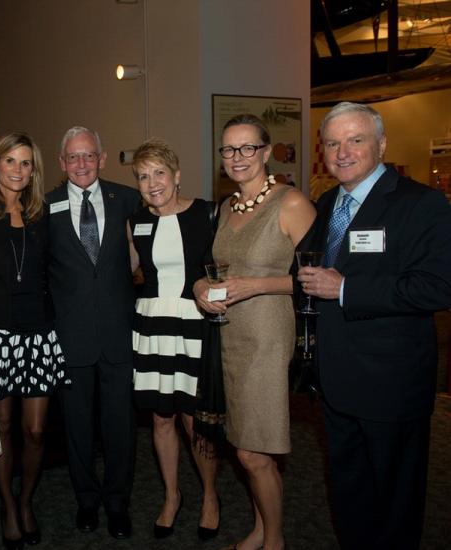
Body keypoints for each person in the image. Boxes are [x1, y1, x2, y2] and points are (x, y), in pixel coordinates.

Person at [297, 102, 451, 550]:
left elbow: (438, 287)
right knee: (351, 494)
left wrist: (346, 289)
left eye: (355, 140)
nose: (342, 152)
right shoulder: (328, 203)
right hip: (337, 379)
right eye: (332, 143)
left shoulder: (421, 203)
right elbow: (310, 270)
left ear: (381, 144)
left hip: (391, 384)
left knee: (395, 501)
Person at [195, 114, 315, 550]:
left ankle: (274, 541)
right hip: (228, 334)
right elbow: (215, 268)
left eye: (247, 148)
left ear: (266, 152)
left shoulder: (291, 203)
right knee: (244, 445)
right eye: (229, 149)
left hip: (267, 335)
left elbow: (315, 276)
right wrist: (200, 288)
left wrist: (256, 285)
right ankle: (263, 529)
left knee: (253, 451)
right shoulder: (226, 207)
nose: (237, 157)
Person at [0, 132, 69, 549]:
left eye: (27, 163)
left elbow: (60, 270)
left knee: (36, 431)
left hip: (39, 334)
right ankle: (7, 506)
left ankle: (26, 500)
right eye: (11, 161)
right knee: (1, 426)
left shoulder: (44, 215)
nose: (19, 170)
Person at [126, 138, 222, 541]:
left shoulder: (208, 213)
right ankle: (171, 496)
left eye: (159, 173)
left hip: (193, 326)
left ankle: (211, 497)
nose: (152, 183)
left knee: (193, 419)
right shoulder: (135, 222)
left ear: (177, 176)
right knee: (161, 419)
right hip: (151, 327)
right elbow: (122, 272)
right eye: (143, 176)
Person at [48, 126, 140, 539]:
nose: (81, 164)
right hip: (70, 337)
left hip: (119, 333)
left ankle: (118, 503)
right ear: (62, 162)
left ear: (102, 158)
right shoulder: (43, 206)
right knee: (77, 426)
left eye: (89, 156)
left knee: (120, 426)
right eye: (73, 157)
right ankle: (86, 500)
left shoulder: (129, 200)